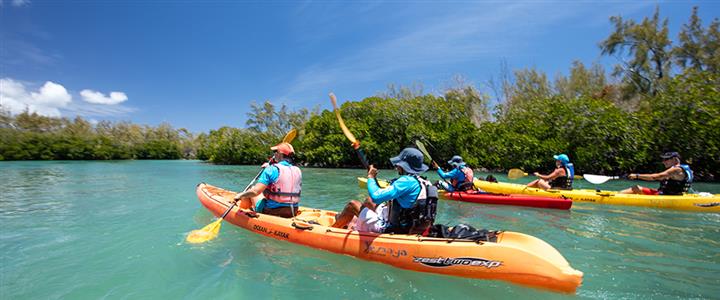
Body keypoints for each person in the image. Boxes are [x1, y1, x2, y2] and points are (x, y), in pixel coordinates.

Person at [332, 147, 437, 234]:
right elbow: (376, 198)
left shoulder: (406, 181)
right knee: (369, 201)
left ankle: (332, 230)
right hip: (413, 226)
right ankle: (357, 224)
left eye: (399, 164)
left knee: (353, 205)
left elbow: (376, 197)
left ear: (405, 166)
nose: (397, 166)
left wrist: (371, 177)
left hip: (395, 230)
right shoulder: (424, 182)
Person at [233, 142, 301, 218]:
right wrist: (270, 166)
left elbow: (255, 192)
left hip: (272, 211)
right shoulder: (297, 170)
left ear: (280, 154)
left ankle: (241, 210)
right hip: (293, 211)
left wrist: (240, 195)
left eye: (275, 152)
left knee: (251, 189)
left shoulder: (271, 169)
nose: (274, 154)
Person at [620, 152, 693, 195]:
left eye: (666, 159)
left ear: (675, 159)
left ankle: (614, 197)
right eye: (663, 159)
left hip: (665, 197)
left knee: (635, 188)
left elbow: (656, 177)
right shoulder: (686, 168)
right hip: (675, 195)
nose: (663, 162)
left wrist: (637, 176)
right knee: (638, 188)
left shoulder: (676, 170)